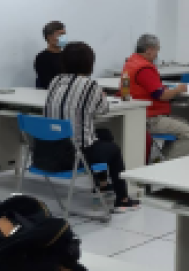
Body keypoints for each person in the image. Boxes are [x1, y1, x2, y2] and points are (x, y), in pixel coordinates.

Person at [33, 42, 140, 212]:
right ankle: (123, 199)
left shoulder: (55, 81)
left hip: (46, 152)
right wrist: (101, 96)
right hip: (72, 156)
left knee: (104, 134)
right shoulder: (90, 85)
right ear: (89, 63)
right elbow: (103, 110)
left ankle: (102, 184)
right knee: (113, 150)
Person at [122, 34, 189, 160]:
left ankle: (165, 161)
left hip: (140, 115)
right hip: (150, 118)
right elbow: (161, 95)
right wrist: (178, 89)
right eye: (157, 50)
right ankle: (169, 167)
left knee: (184, 123)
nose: (157, 54)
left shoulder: (131, 63)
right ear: (149, 50)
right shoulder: (144, 68)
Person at [35, 21, 67, 89]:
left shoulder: (68, 55)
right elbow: (47, 82)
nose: (64, 38)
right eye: (60, 35)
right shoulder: (42, 58)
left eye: (64, 34)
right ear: (49, 37)